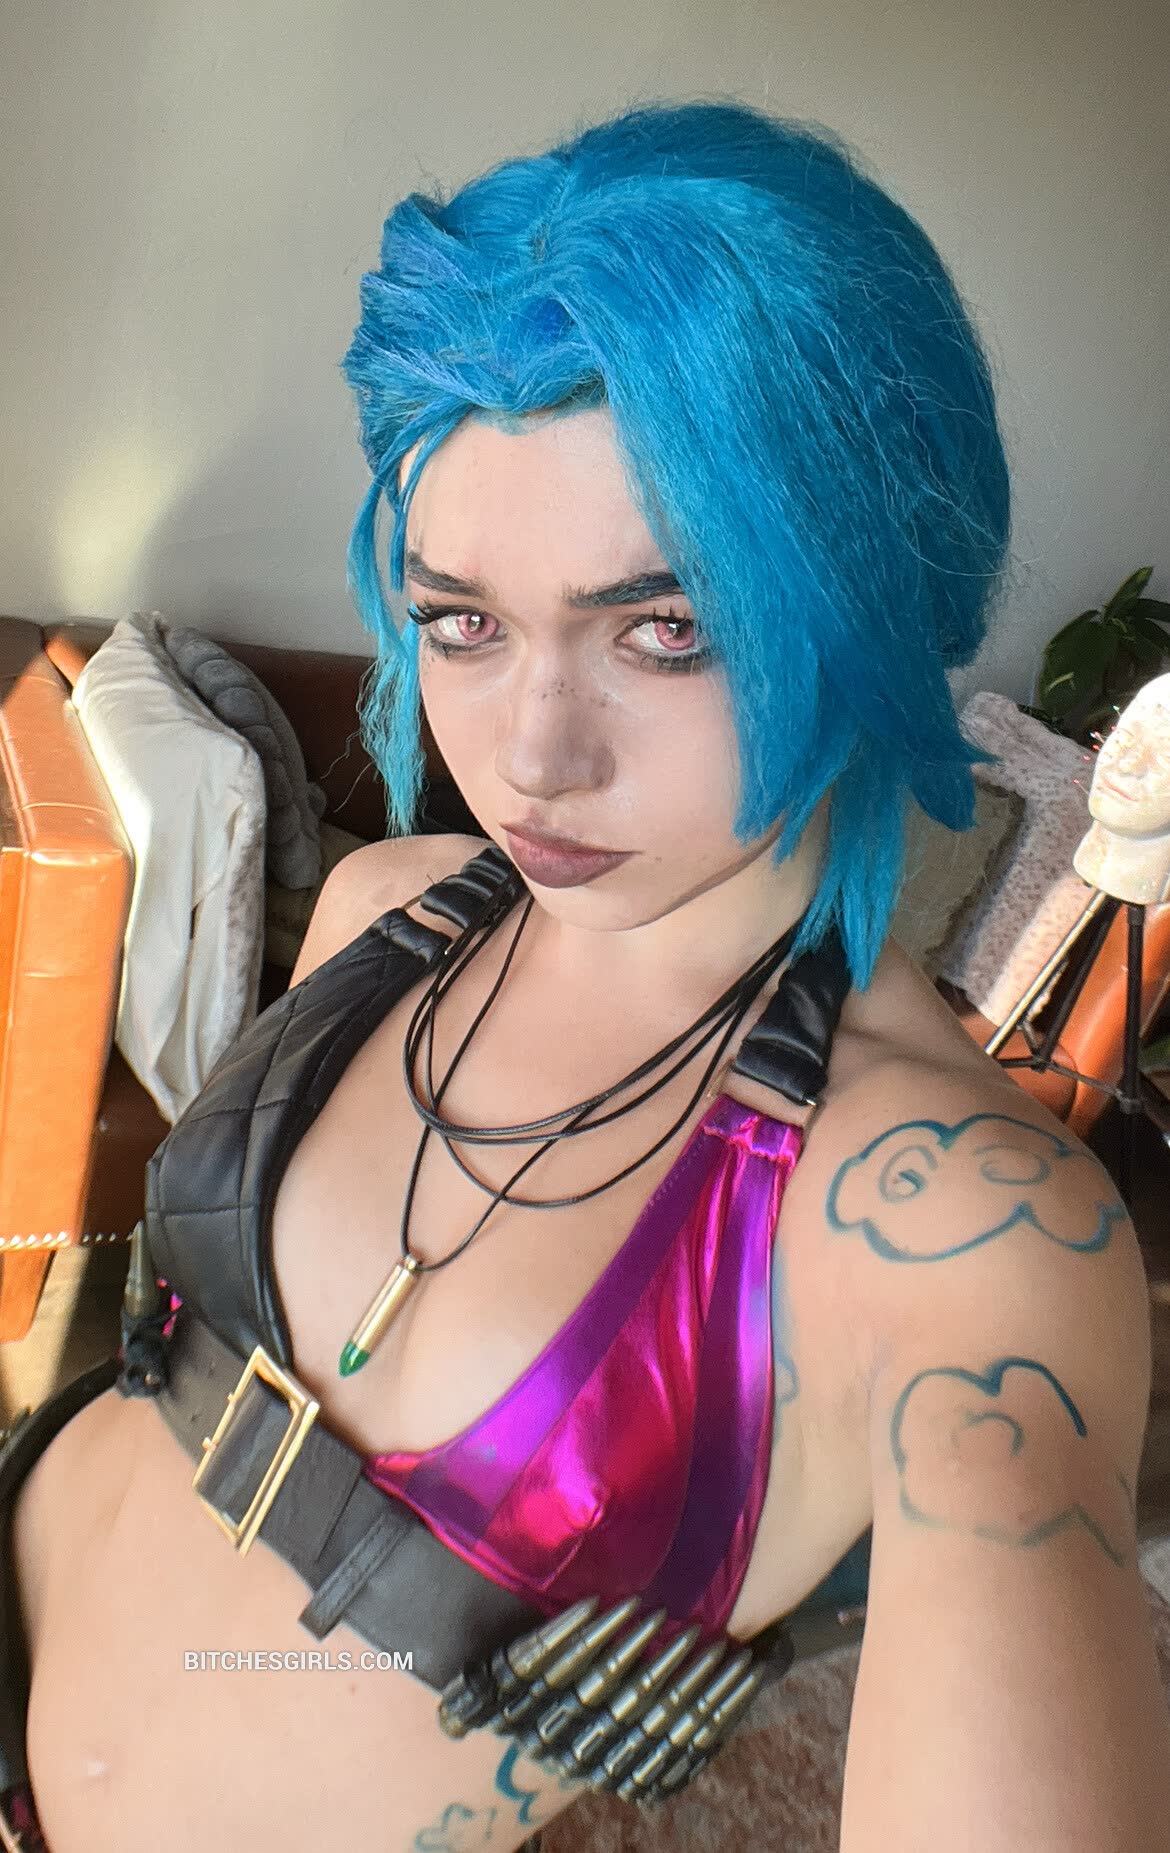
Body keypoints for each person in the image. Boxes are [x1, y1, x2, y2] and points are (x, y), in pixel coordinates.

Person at [8, 95, 1170, 1853]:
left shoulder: (951, 1237)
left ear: (866, 605)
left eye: (666, 627)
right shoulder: (390, 907)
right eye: (463, 622)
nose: (532, 754)